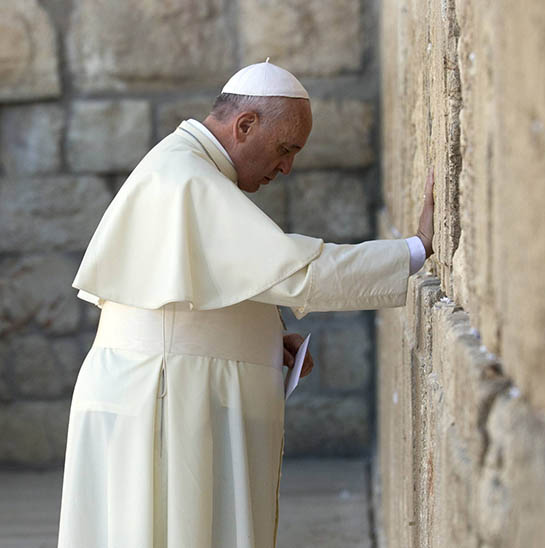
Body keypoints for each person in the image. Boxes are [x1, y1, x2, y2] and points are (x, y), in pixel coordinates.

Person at [56, 60, 435, 548]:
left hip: (157, 393)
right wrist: (415, 249)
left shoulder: (184, 166)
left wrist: (257, 333)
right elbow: (298, 273)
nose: (286, 167)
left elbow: (190, 300)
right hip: (160, 404)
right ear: (245, 125)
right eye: (285, 149)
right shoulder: (187, 179)